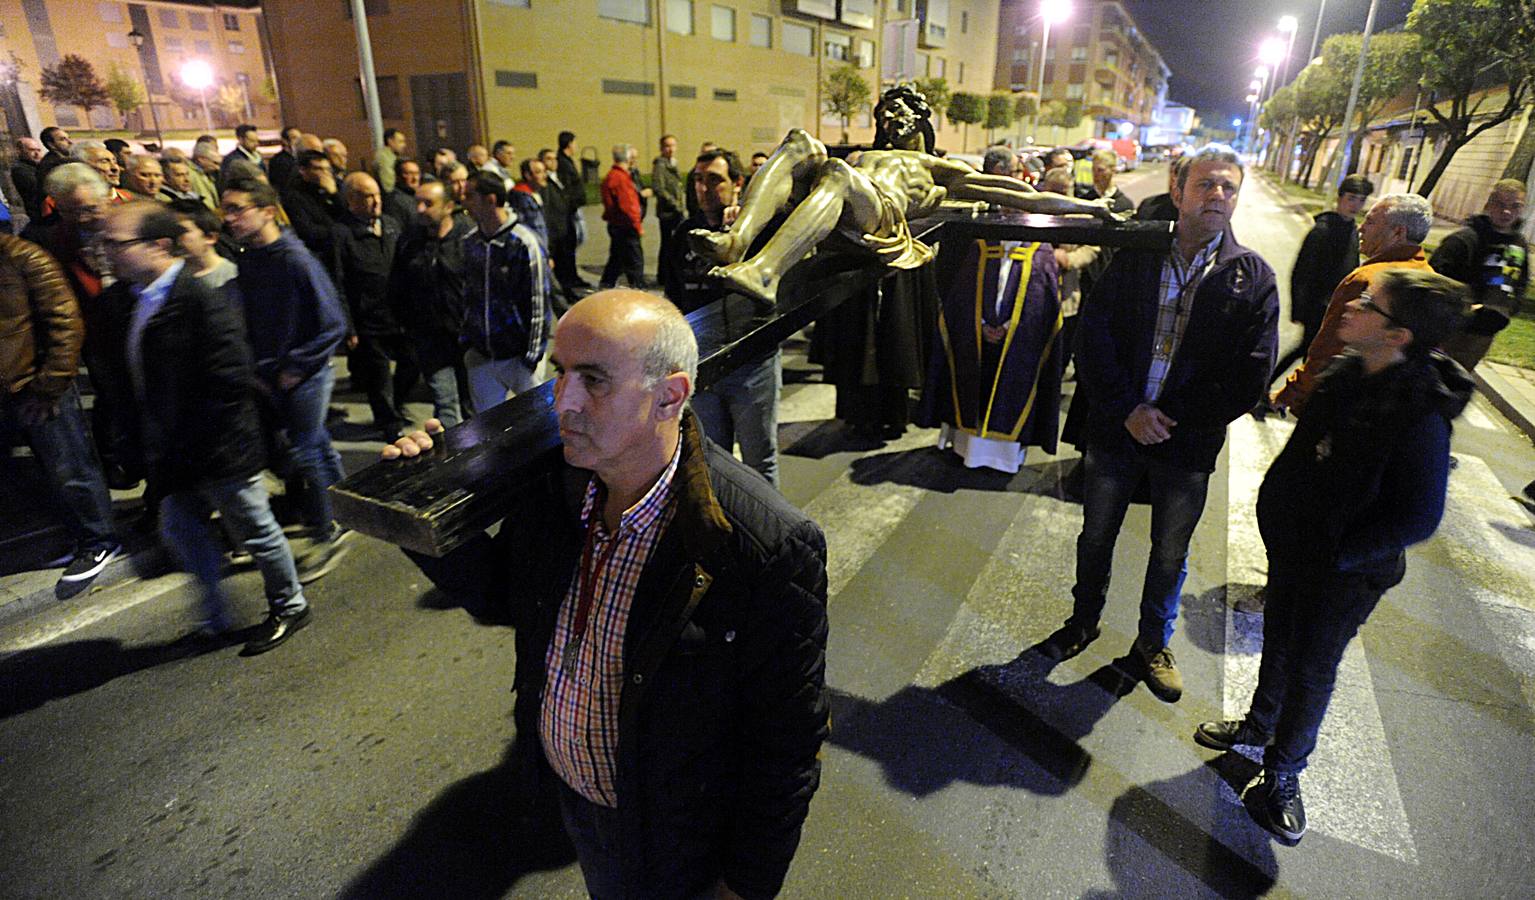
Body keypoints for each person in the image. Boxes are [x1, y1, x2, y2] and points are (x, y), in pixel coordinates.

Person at [383, 290, 830, 898]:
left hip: (677, 837)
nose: (562, 403)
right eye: (561, 373)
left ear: (670, 395)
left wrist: (743, 886)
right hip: (574, 803)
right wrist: (420, 503)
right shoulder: (560, 485)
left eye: (594, 381)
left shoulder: (762, 545)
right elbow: (501, 598)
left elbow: (785, 748)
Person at [1195, 269, 1472, 844]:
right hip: (1298, 552)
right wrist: (1277, 526)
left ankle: (1283, 775)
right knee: (1278, 639)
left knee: (1312, 668)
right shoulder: (1345, 376)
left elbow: (1417, 518)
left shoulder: (1421, 415)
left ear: (1398, 336)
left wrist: (1336, 556)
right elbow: (1300, 460)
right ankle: (1257, 725)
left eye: (1370, 304)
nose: (1352, 305)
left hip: (1348, 574)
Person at [1044, 145, 1279, 704]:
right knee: (1096, 534)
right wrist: (1129, 409)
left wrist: (1172, 421)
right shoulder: (1137, 256)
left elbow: (1250, 376)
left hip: (1186, 447)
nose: (1217, 196)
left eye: (1228, 187)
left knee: (1170, 551)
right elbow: (1093, 336)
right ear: (1178, 192)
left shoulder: (1251, 277)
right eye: (1205, 185)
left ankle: (1153, 644)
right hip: (1116, 431)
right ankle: (1083, 621)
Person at [101, 201, 312, 653]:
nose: (107, 253)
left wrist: (188, 440)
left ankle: (290, 604)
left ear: (159, 245)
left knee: (254, 529)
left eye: (116, 244)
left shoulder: (199, 301)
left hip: (218, 449)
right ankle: (215, 616)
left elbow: (231, 379)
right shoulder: (131, 300)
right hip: (175, 454)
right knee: (180, 530)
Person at [692, 85, 1117, 303]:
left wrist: (1088, 207)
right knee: (802, 141)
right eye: (883, 112)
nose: (889, 117)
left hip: (879, 225)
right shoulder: (864, 153)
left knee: (838, 173)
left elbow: (1022, 195)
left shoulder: (937, 168)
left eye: (898, 109)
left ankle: (765, 273)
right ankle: (737, 243)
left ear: (919, 119)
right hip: (838, 212)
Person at [221, 177, 351, 580]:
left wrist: (295, 367)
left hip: (304, 374)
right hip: (274, 374)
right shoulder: (250, 257)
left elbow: (333, 324)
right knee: (317, 445)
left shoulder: (296, 259)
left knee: (307, 449)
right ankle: (350, 508)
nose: (229, 219)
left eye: (237, 208)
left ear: (267, 211)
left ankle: (330, 527)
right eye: (225, 209)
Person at [0, 232, 122, 584]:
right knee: (36, 472)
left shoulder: (25, 258)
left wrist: (50, 386)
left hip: (37, 387)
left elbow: (65, 323)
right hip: (9, 391)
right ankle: (77, 534)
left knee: (69, 465)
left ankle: (100, 540)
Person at [665, 148, 782, 485]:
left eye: (715, 180)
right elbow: (673, 299)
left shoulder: (759, 228)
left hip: (752, 363)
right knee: (713, 464)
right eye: (698, 180)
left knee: (760, 462)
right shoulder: (684, 234)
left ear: (737, 184)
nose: (703, 188)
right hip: (704, 369)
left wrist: (746, 222)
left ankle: (768, 537)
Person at [1274, 193, 1435, 415]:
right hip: (1396, 407)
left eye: (1370, 221)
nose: (1361, 228)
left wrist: (1293, 392)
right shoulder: (1429, 279)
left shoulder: (1366, 279)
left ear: (1398, 232)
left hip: (1341, 401)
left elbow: (1329, 348)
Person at [1257, 174, 1372, 417]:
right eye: (1351, 198)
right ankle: (1270, 393)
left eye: (1361, 200)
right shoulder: (1322, 230)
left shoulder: (1352, 231)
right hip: (1317, 307)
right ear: (1340, 198)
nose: (1356, 205)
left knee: (1310, 352)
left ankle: (1276, 393)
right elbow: (1302, 273)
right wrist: (1300, 308)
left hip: (1337, 307)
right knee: (1309, 352)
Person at [460, 170, 552, 412]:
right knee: (486, 428)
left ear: (490, 199)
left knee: (538, 420)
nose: (463, 201)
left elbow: (538, 303)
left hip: (518, 357)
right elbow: (467, 296)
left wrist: (532, 355)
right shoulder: (470, 243)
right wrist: (468, 342)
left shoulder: (523, 243)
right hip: (482, 356)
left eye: (470, 196)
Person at [331, 172, 414, 440]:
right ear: (351, 200)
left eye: (377, 194)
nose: (376, 201)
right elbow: (338, 281)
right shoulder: (341, 233)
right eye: (368, 196)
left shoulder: (390, 224)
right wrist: (348, 326)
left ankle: (397, 402)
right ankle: (389, 423)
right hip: (367, 316)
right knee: (378, 376)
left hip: (398, 311)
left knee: (412, 362)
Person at [388, 179, 471, 427]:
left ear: (448, 207)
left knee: (471, 405)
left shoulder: (467, 239)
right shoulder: (409, 242)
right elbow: (396, 286)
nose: (420, 209)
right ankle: (452, 459)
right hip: (429, 340)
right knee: (445, 403)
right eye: (418, 203)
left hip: (465, 338)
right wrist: (406, 327)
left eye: (428, 203)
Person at [1430, 178, 1529, 371]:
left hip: (1485, 332)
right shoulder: (1464, 240)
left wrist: (1508, 309)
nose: (1507, 212)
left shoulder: (1519, 245)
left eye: (1515, 206)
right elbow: (1435, 278)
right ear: (1489, 204)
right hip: (1452, 330)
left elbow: (1520, 281)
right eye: (1500, 204)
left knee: (1458, 382)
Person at [281, 149, 345, 262]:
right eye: (319, 169)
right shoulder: (293, 196)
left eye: (327, 169)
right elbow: (307, 231)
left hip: (340, 247)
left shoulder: (334, 188)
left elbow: (347, 215)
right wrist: (340, 231)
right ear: (303, 170)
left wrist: (334, 194)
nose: (325, 173)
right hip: (317, 253)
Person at [599, 144, 645, 289]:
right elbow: (628, 206)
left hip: (616, 225)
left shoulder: (611, 176)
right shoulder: (621, 178)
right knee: (635, 260)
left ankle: (606, 284)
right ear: (628, 158)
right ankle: (638, 288)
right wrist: (637, 226)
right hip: (625, 226)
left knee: (617, 258)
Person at [652, 134, 686, 289]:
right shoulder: (660, 165)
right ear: (661, 148)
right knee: (667, 244)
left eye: (673, 145)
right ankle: (664, 275)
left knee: (674, 243)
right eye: (667, 146)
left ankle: (669, 273)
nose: (670, 149)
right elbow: (659, 188)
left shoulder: (673, 163)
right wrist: (674, 204)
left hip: (676, 210)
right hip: (668, 212)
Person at [1076, 148, 1135, 215]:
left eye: (1100, 170)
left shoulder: (1125, 204)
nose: (1095, 174)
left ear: (1113, 170)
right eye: (1093, 169)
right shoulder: (1085, 201)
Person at [1135, 155, 1185, 222]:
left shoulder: (1198, 211)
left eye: (1179, 175)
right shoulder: (1148, 206)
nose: (1173, 180)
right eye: (1171, 173)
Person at [12, 136, 46, 222]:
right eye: (32, 150)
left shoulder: (39, 167)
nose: (37, 153)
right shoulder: (20, 169)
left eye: (39, 150)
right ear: (20, 151)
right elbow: (39, 188)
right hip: (40, 216)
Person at [383, 158, 421, 229]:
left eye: (417, 173)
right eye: (409, 174)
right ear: (398, 176)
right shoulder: (394, 201)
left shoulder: (418, 196)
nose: (415, 178)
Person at [267, 125, 302, 191]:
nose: (299, 141)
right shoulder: (278, 161)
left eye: (300, 138)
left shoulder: (302, 157)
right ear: (285, 141)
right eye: (294, 138)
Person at [374, 127, 407, 194]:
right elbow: (388, 185)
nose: (404, 145)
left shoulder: (392, 157)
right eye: (400, 142)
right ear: (390, 141)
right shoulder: (385, 158)